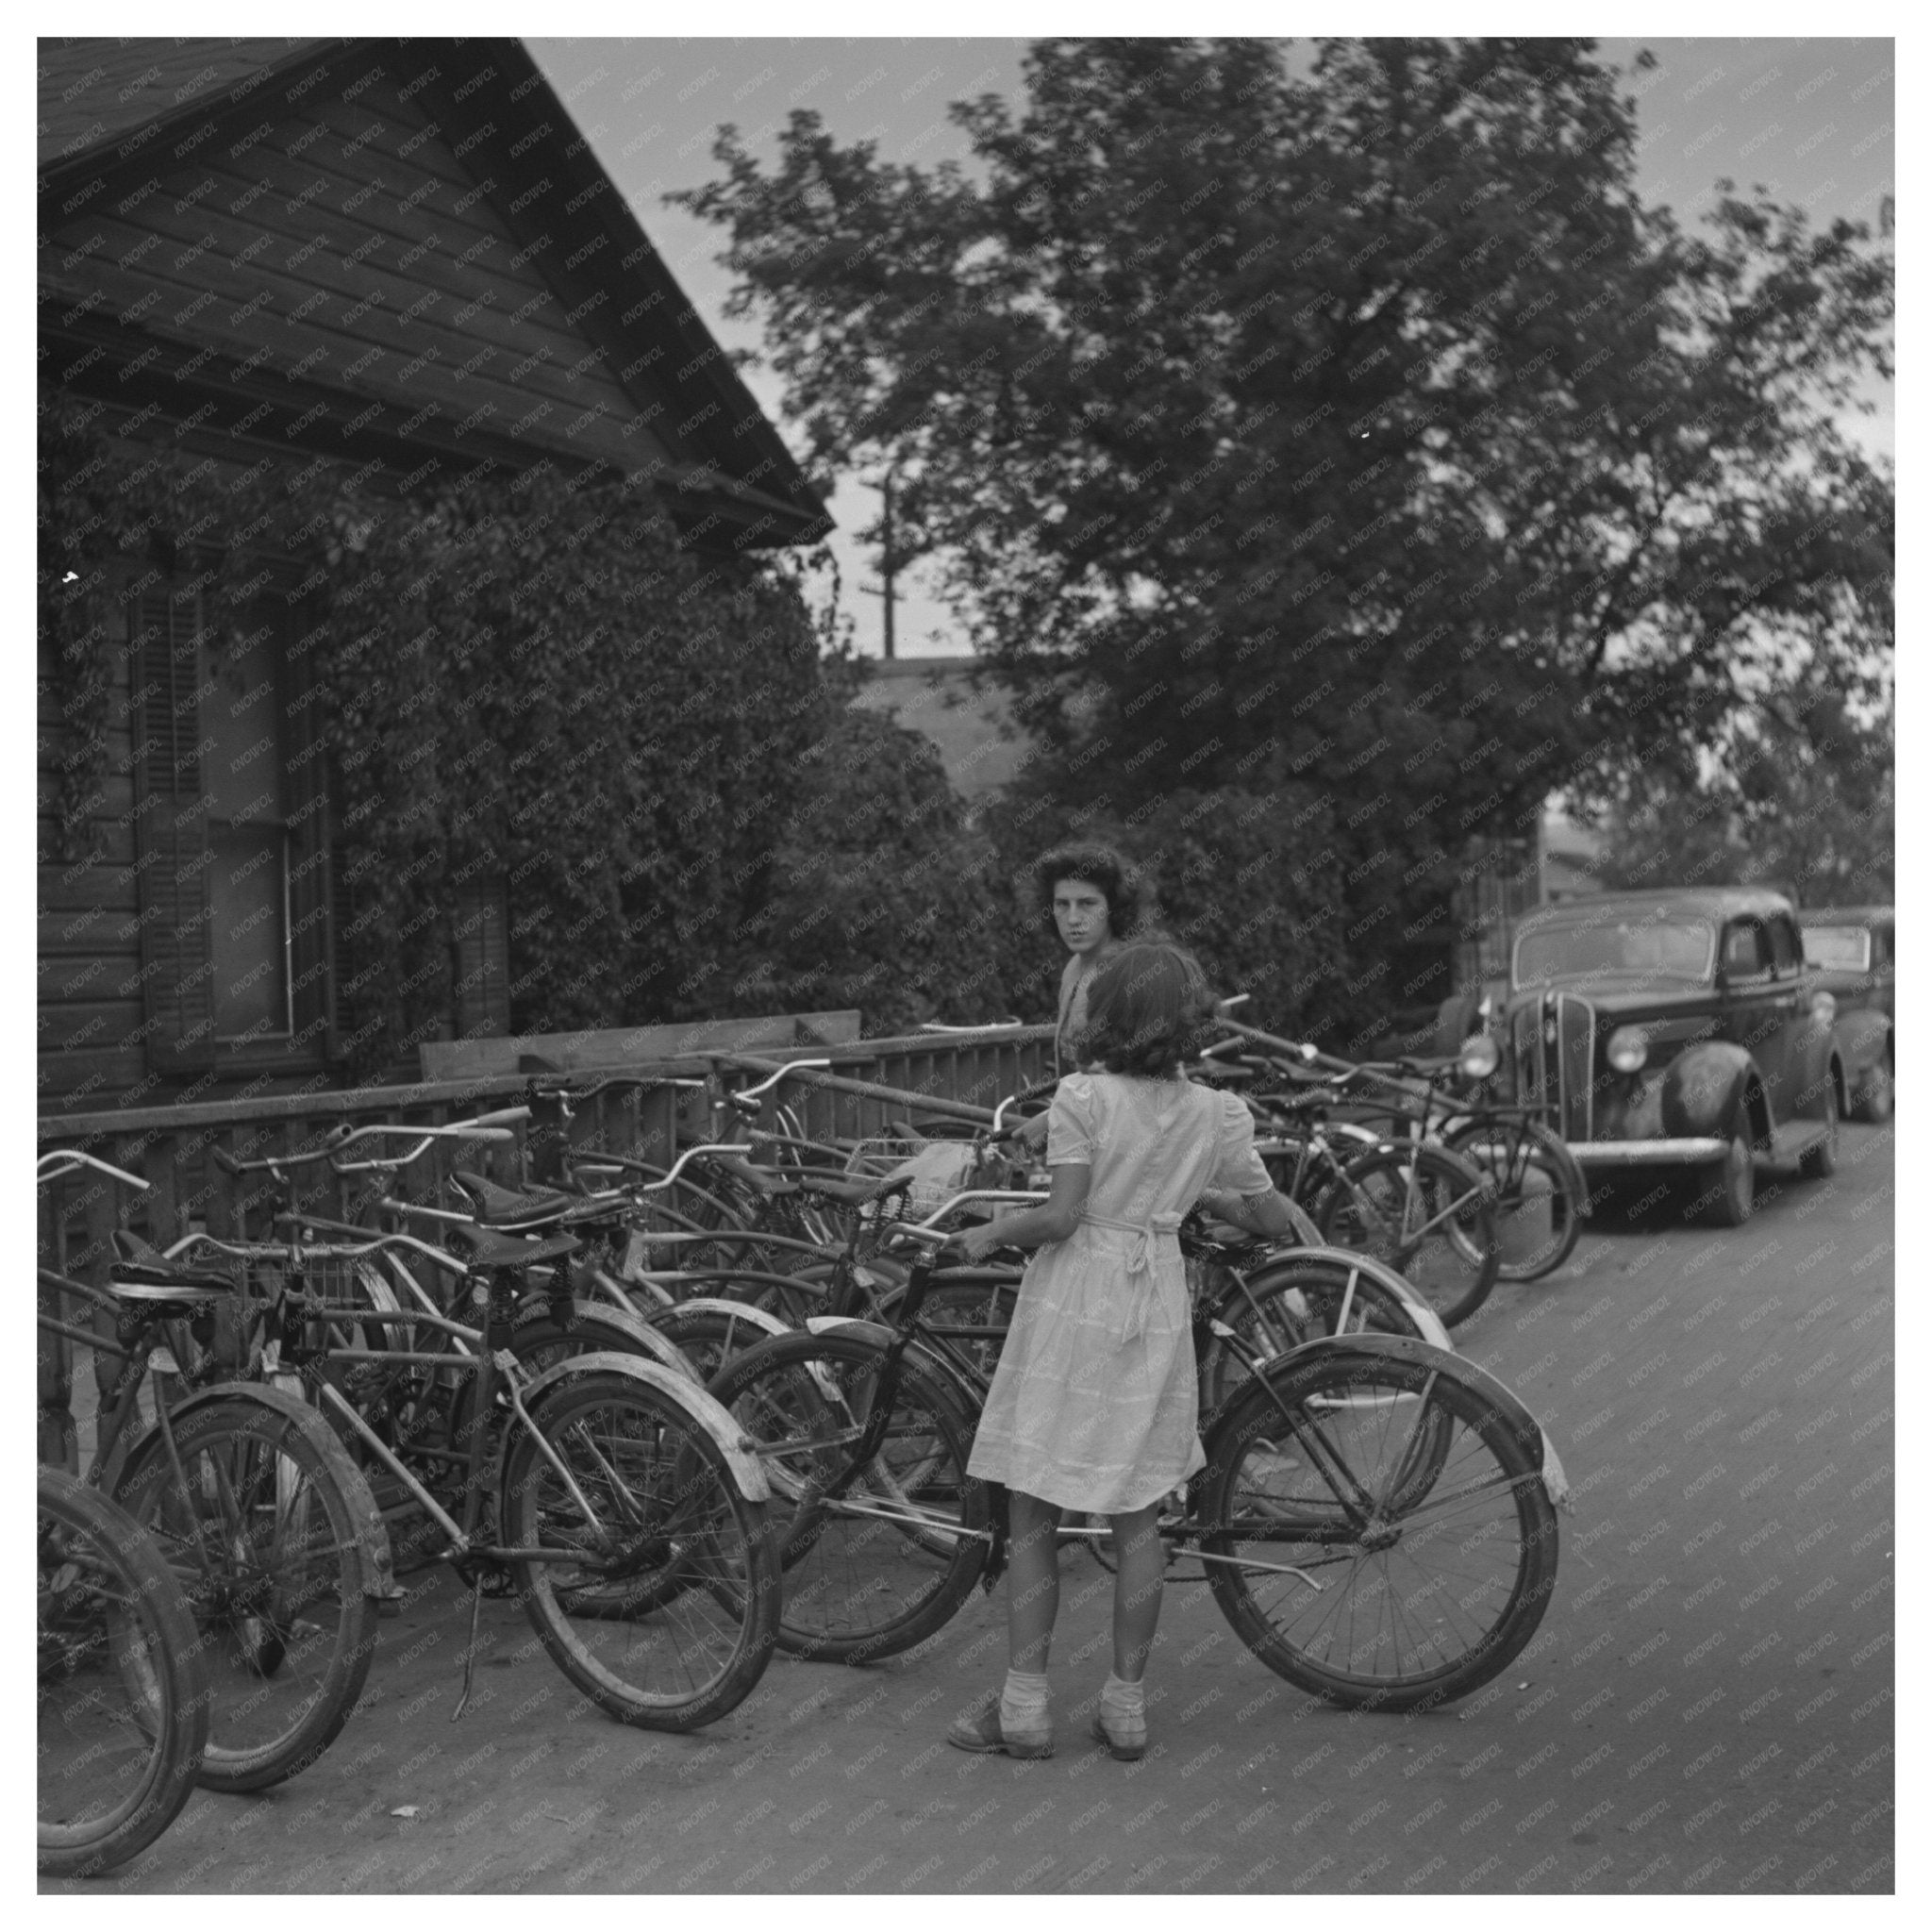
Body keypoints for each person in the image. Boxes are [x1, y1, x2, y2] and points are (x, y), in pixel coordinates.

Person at [942, 942, 1303, 1763]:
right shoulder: (1217, 1113)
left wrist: (989, 1232)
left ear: (1108, 1017)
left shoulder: (1083, 1099)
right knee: (1140, 1511)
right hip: (1154, 1301)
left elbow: (1063, 1216)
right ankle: (1126, 1707)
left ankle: (1025, 1708)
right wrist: (1184, 1198)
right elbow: (1272, 1221)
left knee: (1033, 1503)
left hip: (1074, 1300)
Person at [1008, 841, 1153, 1156]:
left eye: (1087, 903)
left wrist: (1050, 1120)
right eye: (1062, 904)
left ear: (1114, 907)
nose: (1073, 918)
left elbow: (1133, 1082)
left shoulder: (1127, 972)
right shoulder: (1074, 967)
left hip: (1131, 1146)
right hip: (1086, 1138)